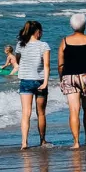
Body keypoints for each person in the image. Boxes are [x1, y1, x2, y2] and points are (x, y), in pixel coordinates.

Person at [57, 13, 86, 149]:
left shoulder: (64, 41)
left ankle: (76, 142)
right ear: (85, 25)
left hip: (69, 76)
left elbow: (60, 64)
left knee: (73, 110)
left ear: (71, 26)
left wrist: (62, 78)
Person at [14, 20, 50, 149]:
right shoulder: (43, 45)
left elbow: (17, 59)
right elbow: (46, 66)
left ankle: (24, 142)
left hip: (25, 81)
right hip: (40, 81)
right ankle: (42, 140)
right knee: (41, 113)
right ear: (38, 32)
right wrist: (45, 82)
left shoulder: (20, 45)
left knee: (26, 113)